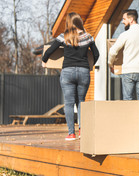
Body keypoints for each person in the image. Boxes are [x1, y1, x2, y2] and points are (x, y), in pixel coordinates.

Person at [42, 12, 99, 141]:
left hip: (67, 72)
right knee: (81, 102)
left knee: (69, 103)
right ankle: (82, 132)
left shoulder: (64, 36)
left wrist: (44, 60)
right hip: (84, 71)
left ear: (69, 23)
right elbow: (96, 54)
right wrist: (90, 64)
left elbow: (50, 50)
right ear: (79, 22)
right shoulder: (88, 37)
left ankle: (71, 133)